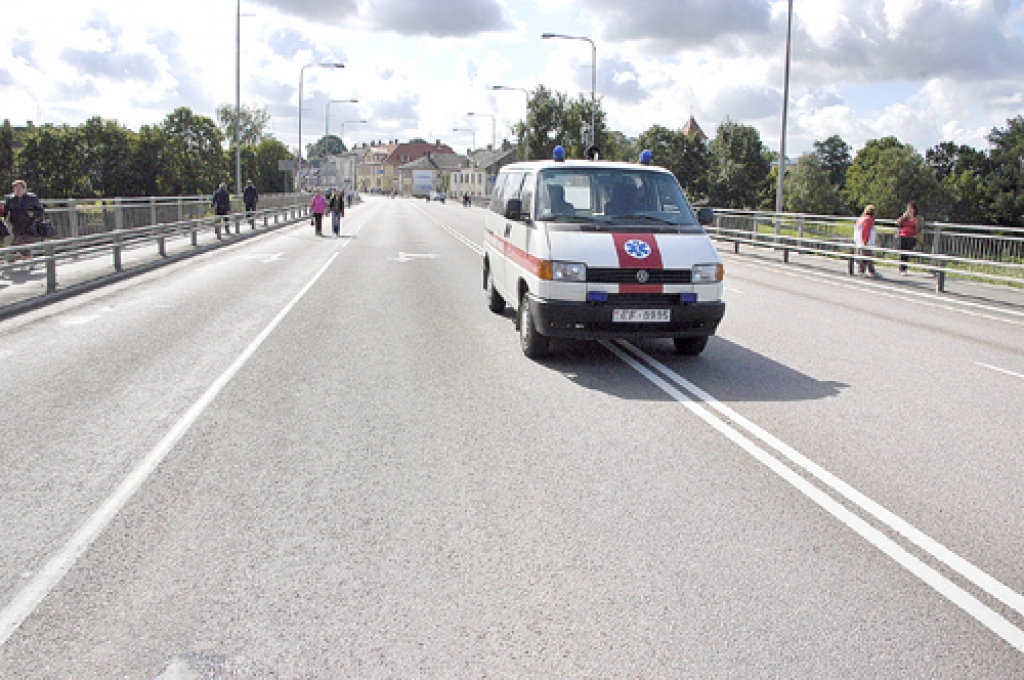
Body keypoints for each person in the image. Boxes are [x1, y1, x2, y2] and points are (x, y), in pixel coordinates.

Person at [4, 180, 45, 258]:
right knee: (22, 244)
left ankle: (11, 260)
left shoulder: (32, 198)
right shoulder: (10, 199)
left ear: (24, 189)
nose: (17, 191)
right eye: (15, 189)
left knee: (20, 243)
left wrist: (33, 214)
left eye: (19, 189)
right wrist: (2, 220)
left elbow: (40, 211)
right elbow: (5, 211)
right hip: (16, 225)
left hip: (29, 225)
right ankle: (28, 259)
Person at [896, 201, 921, 275]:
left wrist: (916, 236)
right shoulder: (905, 217)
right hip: (903, 235)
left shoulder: (918, 218)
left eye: (910, 208)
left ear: (914, 209)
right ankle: (902, 268)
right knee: (902, 252)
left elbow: (920, 227)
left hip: (912, 237)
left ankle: (904, 267)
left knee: (907, 252)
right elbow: (897, 223)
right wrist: (903, 216)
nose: (909, 210)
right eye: (908, 208)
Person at [854, 204, 878, 277]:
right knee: (867, 256)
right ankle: (867, 271)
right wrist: (865, 241)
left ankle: (870, 271)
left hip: (859, 241)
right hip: (866, 241)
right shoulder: (868, 219)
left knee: (866, 256)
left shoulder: (861, 219)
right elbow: (866, 230)